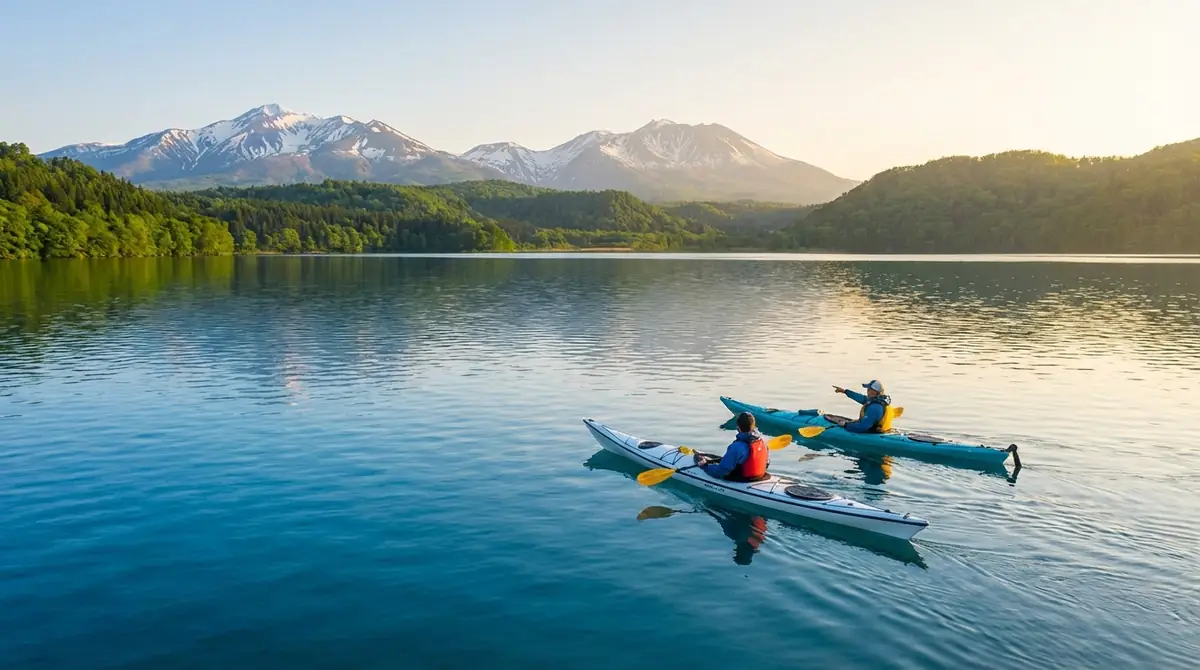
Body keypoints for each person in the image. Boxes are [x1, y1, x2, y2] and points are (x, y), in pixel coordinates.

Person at [693, 411, 770, 482]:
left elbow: (720, 472)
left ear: (738, 427)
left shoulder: (737, 447)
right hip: (760, 477)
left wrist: (705, 466)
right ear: (753, 426)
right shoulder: (762, 443)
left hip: (742, 479)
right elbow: (766, 464)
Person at [830, 379, 896, 433]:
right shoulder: (880, 401)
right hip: (884, 431)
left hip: (873, 434)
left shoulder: (875, 408)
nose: (867, 391)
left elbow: (863, 427)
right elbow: (861, 398)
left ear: (874, 392)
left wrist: (846, 425)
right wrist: (844, 391)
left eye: (869, 389)